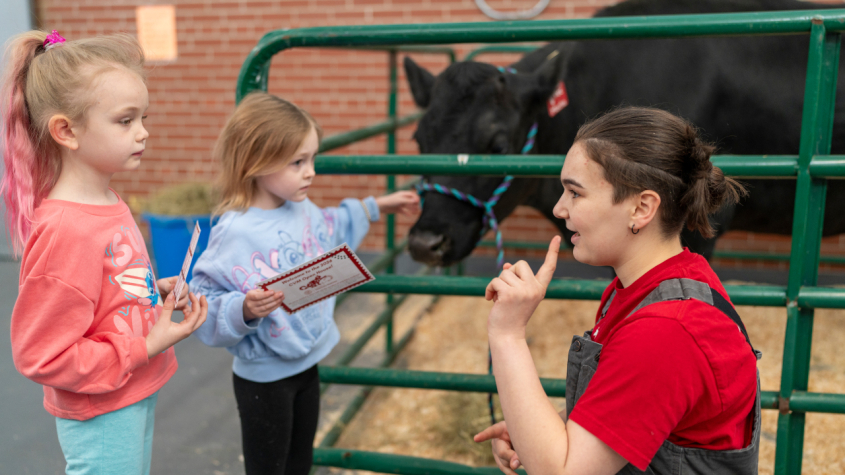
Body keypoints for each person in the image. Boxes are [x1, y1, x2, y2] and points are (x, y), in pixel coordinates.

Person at [474, 107, 760, 474]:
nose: (559, 208)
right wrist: (534, 430)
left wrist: (508, 334)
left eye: (575, 193)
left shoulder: (667, 329)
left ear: (641, 207)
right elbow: (630, 406)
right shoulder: (655, 284)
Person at [3, 30, 208, 475]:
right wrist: (145, 344)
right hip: (101, 409)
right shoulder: (66, 230)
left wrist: (150, 290)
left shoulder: (109, 201)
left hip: (129, 389)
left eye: (143, 117)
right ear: (66, 130)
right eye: (125, 120)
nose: (143, 132)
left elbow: (97, 294)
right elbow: (42, 353)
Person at [191, 91, 420, 475]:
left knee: (300, 463)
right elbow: (203, 296)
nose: (310, 171)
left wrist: (377, 206)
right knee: (268, 469)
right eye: (298, 162)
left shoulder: (301, 207)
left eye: (312, 158)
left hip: (307, 364)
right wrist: (243, 308)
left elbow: (331, 226)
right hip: (265, 378)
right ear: (256, 161)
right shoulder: (235, 232)